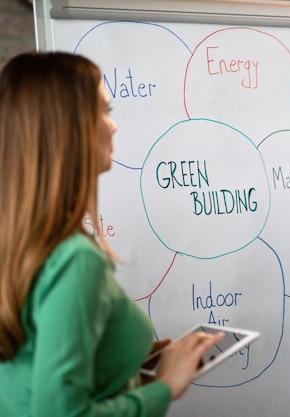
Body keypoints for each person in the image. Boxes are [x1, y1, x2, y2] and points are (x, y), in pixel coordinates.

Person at [0, 52, 224, 417]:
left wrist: (128, 363)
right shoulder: (75, 259)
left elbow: (33, 370)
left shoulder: (19, 245)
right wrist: (165, 387)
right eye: (103, 111)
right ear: (65, 128)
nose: (113, 125)